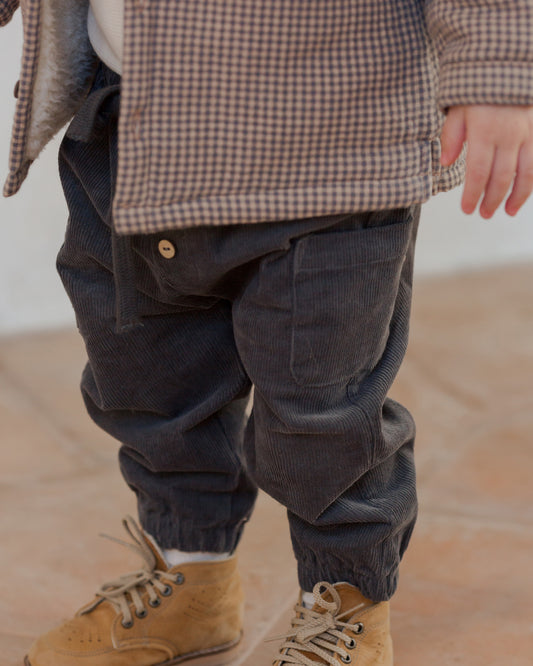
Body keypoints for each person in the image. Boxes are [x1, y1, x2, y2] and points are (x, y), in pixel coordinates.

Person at [2, 1, 532, 665]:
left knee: (323, 411)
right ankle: (190, 574)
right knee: (146, 379)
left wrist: (497, 70)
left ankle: (347, 602)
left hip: (329, 138)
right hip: (130, 117)